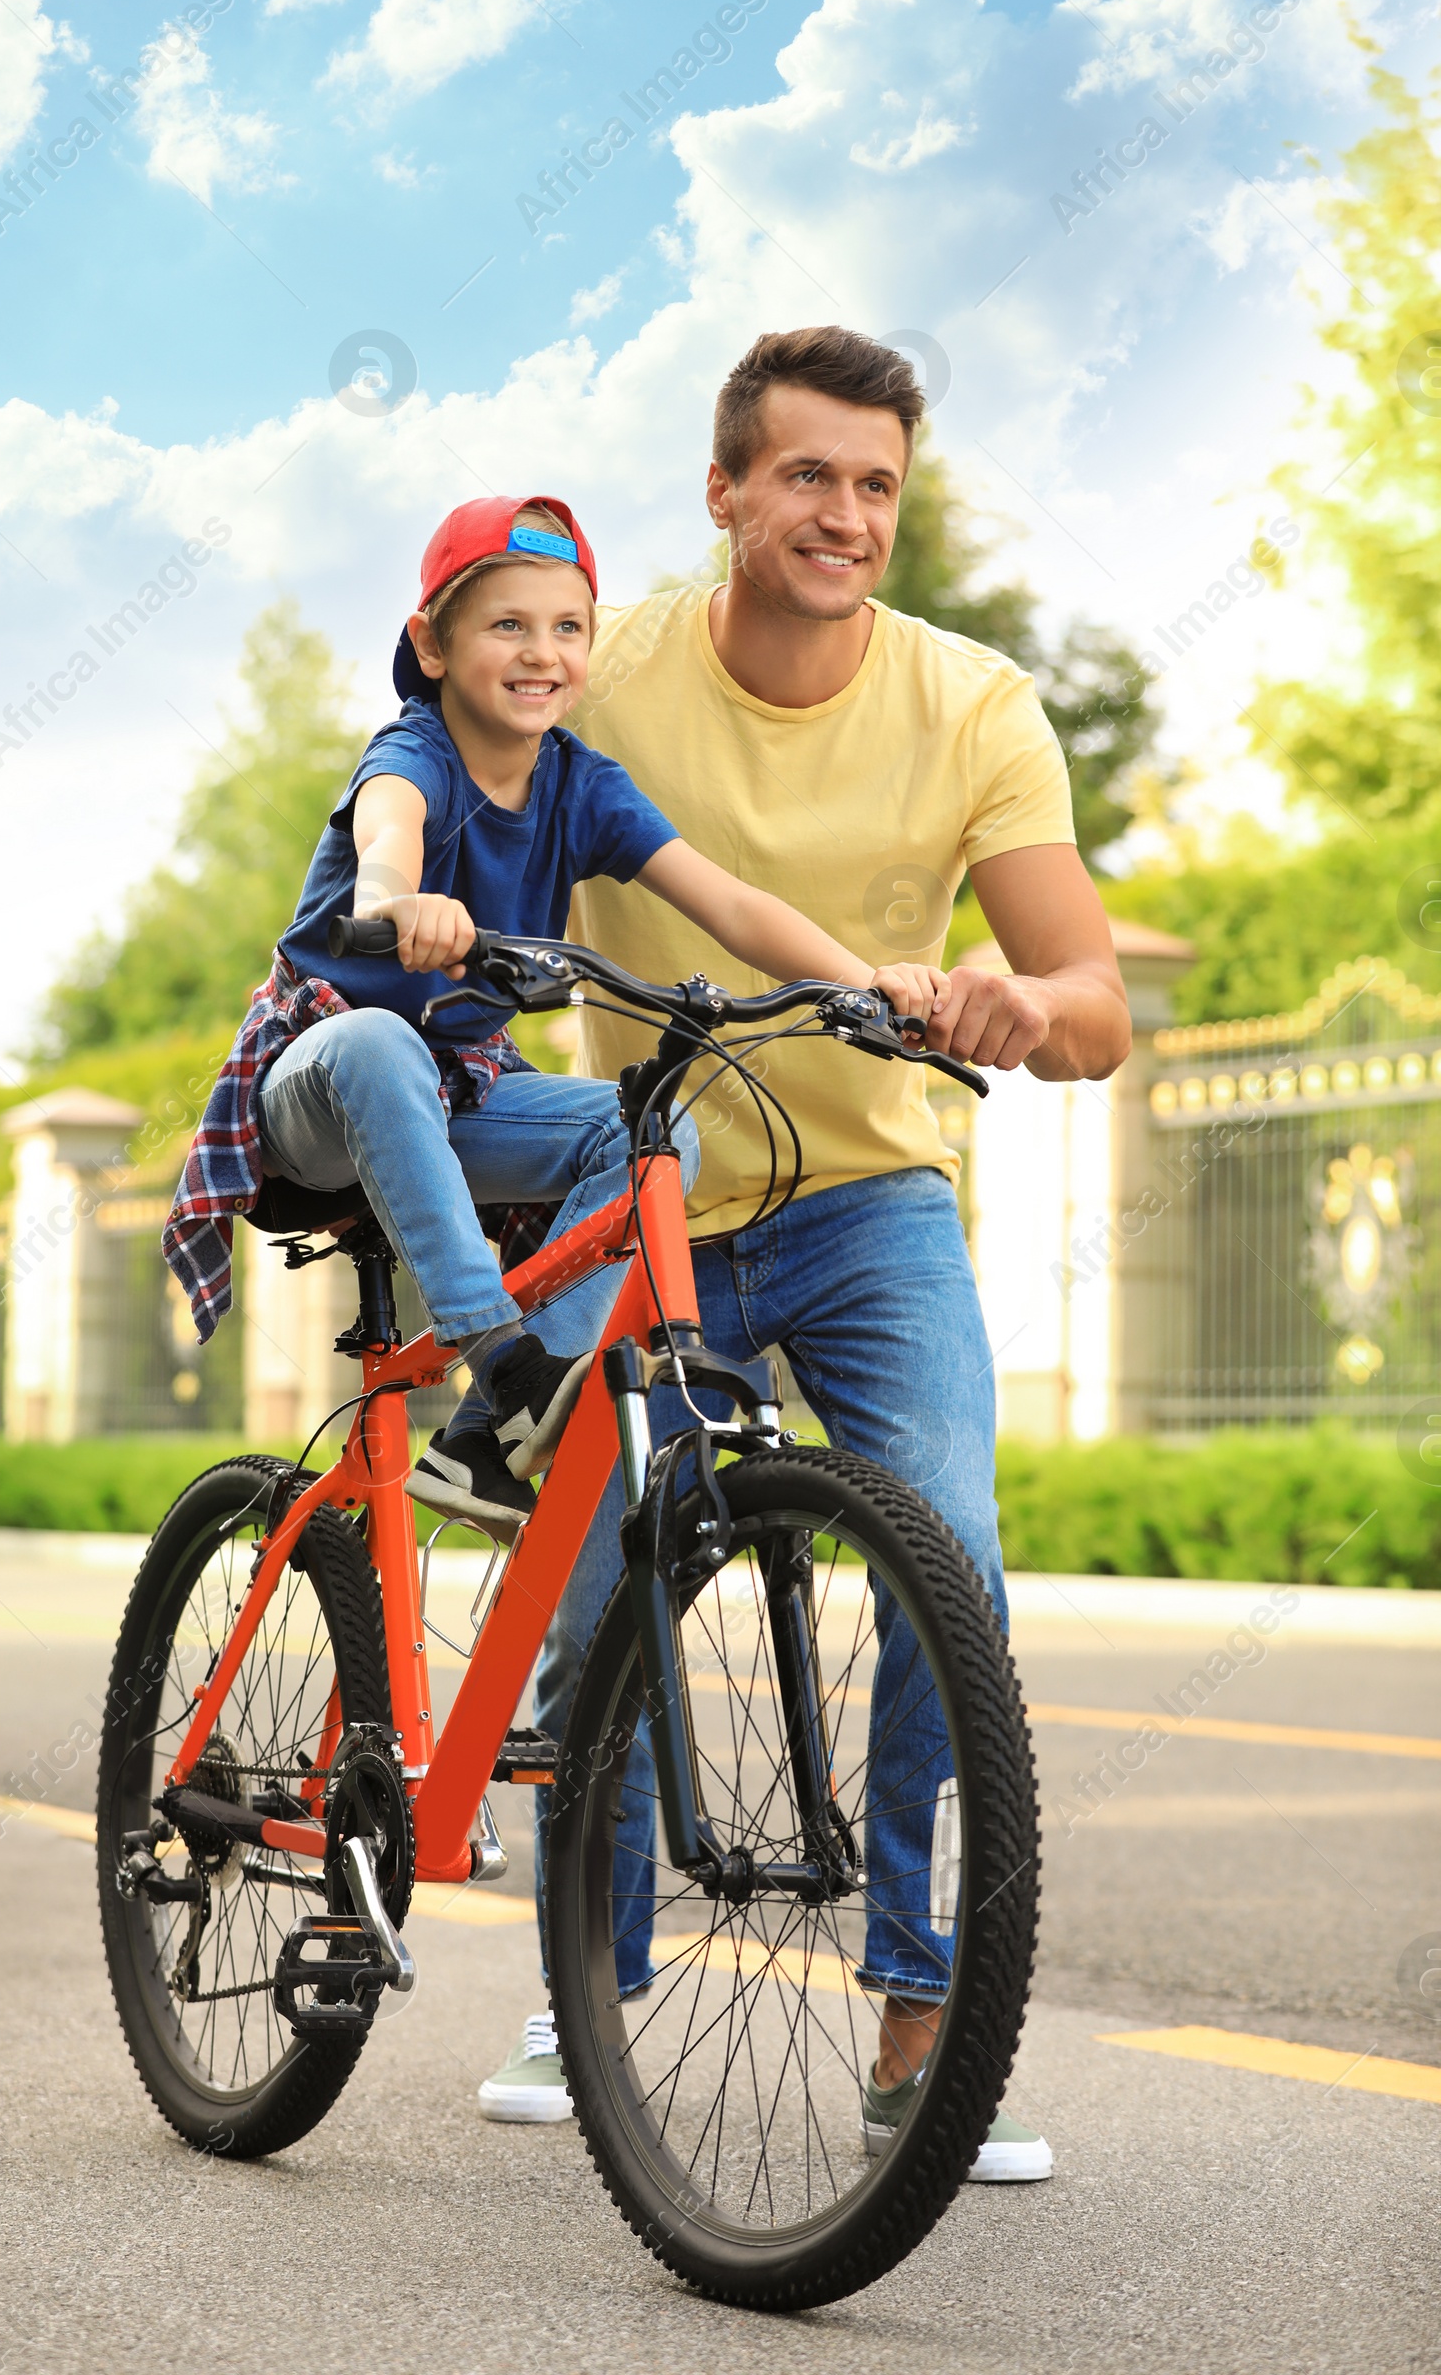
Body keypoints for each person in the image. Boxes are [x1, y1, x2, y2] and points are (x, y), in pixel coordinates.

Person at [469, 333, 1131, 2177]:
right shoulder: (606, 674)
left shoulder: (974, 704)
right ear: (728, 495)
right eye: (811, 479)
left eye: (878, 488)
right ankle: (582, 1988)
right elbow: (454, 781)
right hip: (649, 1181)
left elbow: (1094, 1006)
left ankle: (921, 2023)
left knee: (948, 1555)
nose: (847, 517)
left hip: (867, 1208)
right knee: (599, 1580)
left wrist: (1017, 1004)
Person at [164, 492, 949, 1538]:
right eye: (506, 625)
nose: (542, 652)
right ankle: (506, 1359)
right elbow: (386, 833)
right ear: (431, 646)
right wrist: (394, 903)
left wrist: (866, 984)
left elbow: (730, 902)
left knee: (657, 1131)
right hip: (318, 1093)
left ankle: (485, 1436)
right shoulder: (414, 754)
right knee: (378, 1040)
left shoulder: (581, 786)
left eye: (567, 627)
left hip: (458, 1096)